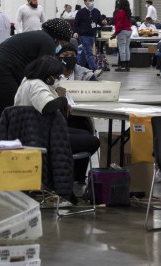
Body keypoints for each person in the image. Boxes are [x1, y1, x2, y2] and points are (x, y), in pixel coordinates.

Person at [0, 18, 74, 139]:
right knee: (12, 124)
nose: (59, 47)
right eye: (62, 43)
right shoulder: (48, 41)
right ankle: (11, 156)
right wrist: (57, 92)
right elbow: (45, 72)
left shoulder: (36, 36)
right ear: (58, 37)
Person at [13, 56, 100, 196]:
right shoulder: (37, 85)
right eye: (56, 76)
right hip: (42, 138)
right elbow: (47, 105)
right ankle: (63, 175)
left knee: (85, 133)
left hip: (33, 132)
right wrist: (62, 100)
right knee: (93, 141)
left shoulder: (27, 81)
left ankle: (73, 176)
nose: (58, 79)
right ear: (49, 76)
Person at [72, 0, 107, 71]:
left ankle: (77, 69)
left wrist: (103, 22)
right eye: (90, 1)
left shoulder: (96, 12)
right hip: (83, 36)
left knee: (84, 55)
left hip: (92, 36)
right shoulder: (81, 12)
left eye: (92, 0)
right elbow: (76, 24)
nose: (92, 2)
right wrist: (75, 32)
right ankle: (95, 69)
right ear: (85, 2)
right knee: (89, 54)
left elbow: (100, 21)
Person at [113, 0, 133, 72]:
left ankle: (122, 66)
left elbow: (119, 24)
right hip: (128, 31)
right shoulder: (127, 12)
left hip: (122, 31)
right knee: (127, 48)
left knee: (122, 49)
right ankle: (127, 66)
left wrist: (115, 33)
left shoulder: (121, 12)